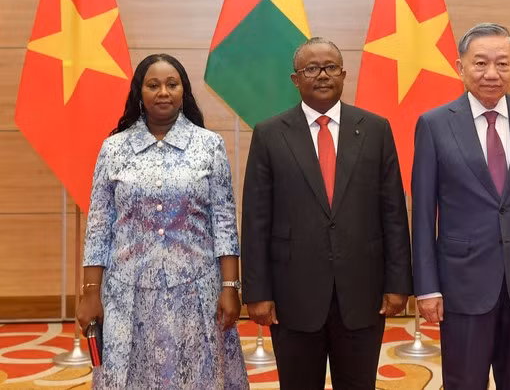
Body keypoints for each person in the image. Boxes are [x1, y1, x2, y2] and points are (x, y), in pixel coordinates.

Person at [241, 37, 412, 389]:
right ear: (295, 79)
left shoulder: (376, 130)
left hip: (362, 293)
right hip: (293, 296)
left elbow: (393, 211)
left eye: (331, 67)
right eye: (311, 68)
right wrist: (257, 292)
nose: (322, 75)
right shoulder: (270, 134)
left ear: (344, 74)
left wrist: (398, 283)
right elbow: (256, 220)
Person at [411, 23, 510, 389]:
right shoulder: (434, 125)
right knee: (464, 381)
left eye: (502, 64)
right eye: (480, 63)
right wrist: (426, 287)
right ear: (460, 66)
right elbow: (421, 215)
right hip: (462, 282)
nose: (491, 74)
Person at [76, 54, 249, 389]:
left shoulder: (208, 146)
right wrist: (90, 293)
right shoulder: (114, 149)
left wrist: (231, 287)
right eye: (153, 85)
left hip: (197, 292)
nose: (163, 92)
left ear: (184, 91)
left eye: (172, 84)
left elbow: (225, 222)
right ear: (139, 93)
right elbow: (98, 228)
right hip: (127, 295)